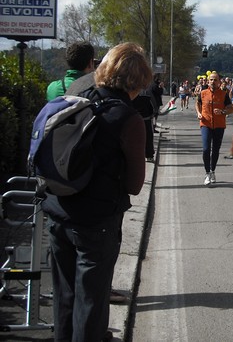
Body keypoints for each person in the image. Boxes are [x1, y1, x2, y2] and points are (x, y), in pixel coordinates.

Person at [42, 42, 152, 342]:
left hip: (57, 208)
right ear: (137, 80)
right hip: (96, 222)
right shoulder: (127, 118)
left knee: (65, 295)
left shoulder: (76, 95)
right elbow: (134, 185)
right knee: (92, 300)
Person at [196, 71, 233, 186]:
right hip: (205, 123)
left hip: (219, 125)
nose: (213, 82)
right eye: (211, 79)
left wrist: (222, 111)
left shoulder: (223, 94)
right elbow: (198, 103)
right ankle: (207, 173)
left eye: (215, 80)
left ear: (219, 82)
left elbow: (231, 108)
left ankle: (212, 171)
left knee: (215, 150)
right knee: (206, 149)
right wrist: (198, 113)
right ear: (208, 81)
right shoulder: (203, 93)